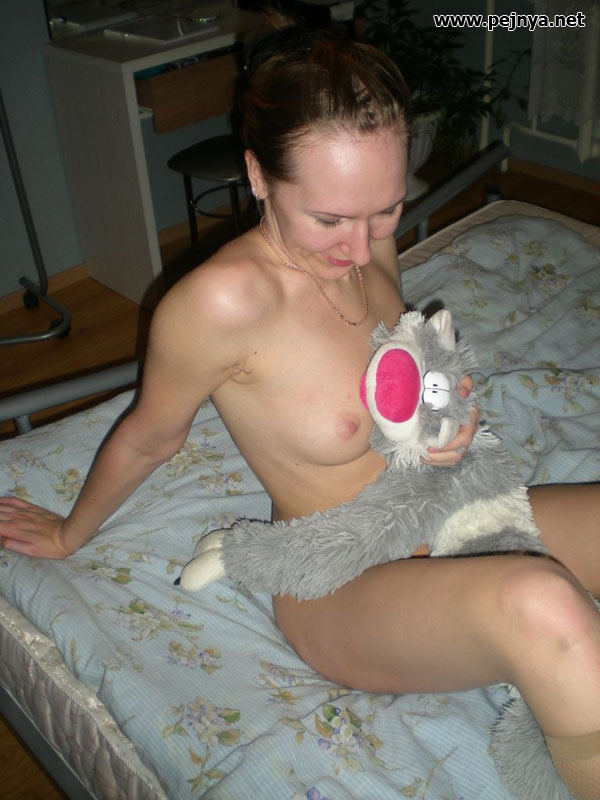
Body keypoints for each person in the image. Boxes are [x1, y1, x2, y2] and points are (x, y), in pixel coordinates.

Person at [1, 24, 599, 799]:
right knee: (544, 605)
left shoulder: (370, 244)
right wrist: (68, 532)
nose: (359, 246)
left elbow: (401, 383)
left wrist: (446, 424)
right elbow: (151, 438)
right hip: (341, 580)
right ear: (258, 174)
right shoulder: (219, 305)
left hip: (445, 511)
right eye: (329, 219)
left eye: (384, 210)